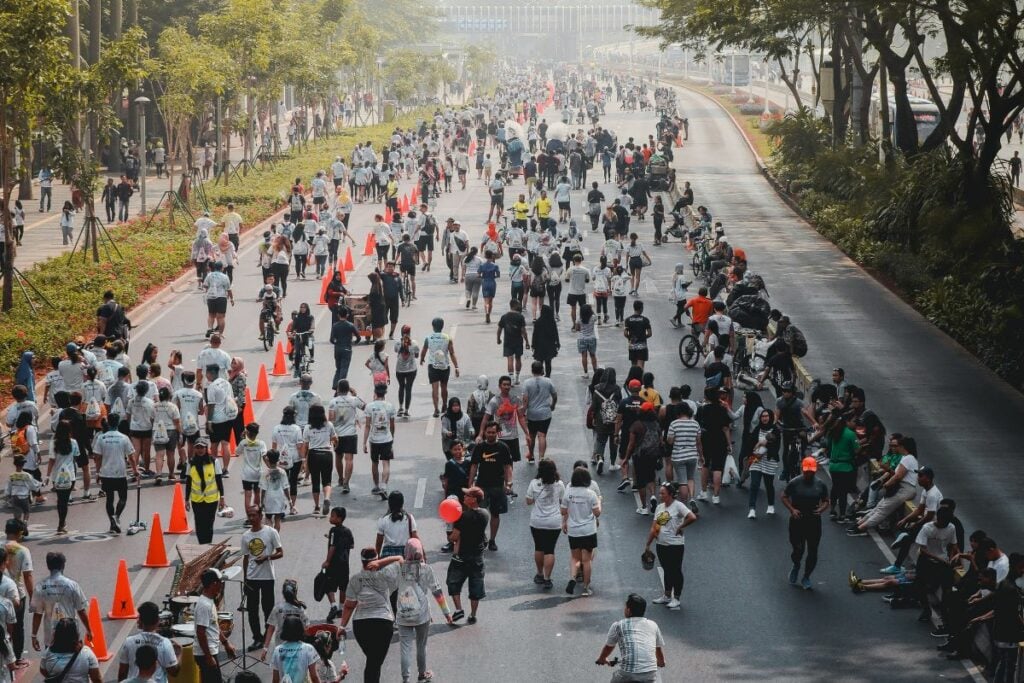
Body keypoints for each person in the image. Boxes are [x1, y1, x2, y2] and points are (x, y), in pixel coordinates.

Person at [340, 548, 403, 683]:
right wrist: (380, 562)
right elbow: (400, 559)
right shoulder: (386, 574)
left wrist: (342, 626)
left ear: (362, 561)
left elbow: (349, 605)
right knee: (374, 662)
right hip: (383, 624)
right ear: (377, 560)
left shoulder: (355, 579)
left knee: (373, 661)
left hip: (361, 627)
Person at [396, 538, 452, 683]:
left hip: (403, 614)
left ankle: (405, 679)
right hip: (421, 614)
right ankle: (422, 673)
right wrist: (446, 613)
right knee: (421, 645)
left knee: (405, 648)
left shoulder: (399, 569)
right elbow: (437, 592)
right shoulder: (426, 569)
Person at [644, 483, 697, 610]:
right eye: (660, 493)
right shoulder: (660, 507)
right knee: (666, 569)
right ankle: (667, 595)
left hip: (675, 545)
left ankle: (676, 597)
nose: (660, 495)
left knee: (675, 570)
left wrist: (680, 527)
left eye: (663, 493)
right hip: (661, 544)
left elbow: (692, 517)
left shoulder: (678, 506)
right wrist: (648, 544)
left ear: (670, 494)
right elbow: (655, 527)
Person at [781, 457, 829, 590]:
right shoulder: (794, 482)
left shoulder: (820, 484)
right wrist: (792, 509)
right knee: (798, 550)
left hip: (813, 521)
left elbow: (826, 500)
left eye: (812, 471)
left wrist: (821, 509)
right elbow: (783, 496)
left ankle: (806, 576)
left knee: (813, 552)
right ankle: (796, 565)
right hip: (797, 520)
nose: (809, 474)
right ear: (803, 469)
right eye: (807, 471)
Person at [596, 594, 666, 683]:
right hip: (650, 675)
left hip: (627, 674)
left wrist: (602, 658)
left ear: (629, 611)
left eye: (625, 607)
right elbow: (658, 649)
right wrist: (661, 662)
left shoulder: (618, 625)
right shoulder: (653, 625)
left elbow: (608, 647)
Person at [445, 487, 489, 623]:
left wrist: (449, 526)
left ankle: (459, 609)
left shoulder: (463, 517)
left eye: (467, 496)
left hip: (462, 556)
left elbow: (453, 537)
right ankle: (473, 614)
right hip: (478, 556)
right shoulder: (485, 514)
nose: (464, 497)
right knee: (476, 585)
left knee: (453, 582)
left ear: (474, 499)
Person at [242, 506, 283, 648]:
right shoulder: (246, 536)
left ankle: (267, 635)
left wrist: (267, 557)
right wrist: (245, 578)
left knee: (268, 609)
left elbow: (280, 553)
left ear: (260, 516)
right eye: (249, 515)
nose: (251, 518)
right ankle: (257, 638)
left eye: (254, 515)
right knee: (252, 610)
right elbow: (246, 558)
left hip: (267, 577)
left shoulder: (271, 532)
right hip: (252, 578)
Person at [30, 552, 91, 650]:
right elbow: (81, 610)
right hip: (71, 633)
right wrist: (89, 630)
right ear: (63, 565)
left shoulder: (40, 586)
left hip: (50, 637)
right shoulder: (73, 585)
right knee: (72, 662)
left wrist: (34, 636)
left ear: (48, 566)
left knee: (52, 663)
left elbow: (37, 614)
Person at [92, 414, 138, 534]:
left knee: (109, 499)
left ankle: (113, 523)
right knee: (123, 497)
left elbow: (97, 457)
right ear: (118, 423)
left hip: (106, 473)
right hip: (120, 473)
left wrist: (97, 472)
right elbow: (131, 457)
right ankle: (116, 517)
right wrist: (135, 470)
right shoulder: (124, 438)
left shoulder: (102, 438)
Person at [116, 601, 180, 682]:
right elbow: (174, 672)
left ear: (140, 621)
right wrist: (178, 654)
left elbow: (122, 672)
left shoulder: (129, 642)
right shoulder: (165, 643)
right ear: (158, 621)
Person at [526, 460, 565, 591]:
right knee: (550, 549)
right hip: (554, 521)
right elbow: (563, 501)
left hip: (537, 521)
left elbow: (528, 501)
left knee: (539, 547)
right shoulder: (559, 484)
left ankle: (539, 573)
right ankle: (548, 579)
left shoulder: (534, 483)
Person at [562, 467, 601, 597]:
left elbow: (563, 511)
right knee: (587, 560)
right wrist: (599, 503)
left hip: (574, 530)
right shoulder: (590, 494)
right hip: (588, 530)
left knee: (575, 557)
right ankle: (586, 587)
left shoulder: (568, 493)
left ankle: (573, 577)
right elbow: (597, 512)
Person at [194, 568, 236, 682]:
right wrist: (208, 657)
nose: (221, 585)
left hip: (209, 652)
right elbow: (200, 632)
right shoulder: (204, 605)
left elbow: (214, 625)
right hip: (205, 654)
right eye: (220, 582)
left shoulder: (209, 601)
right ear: (214, 584)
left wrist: (226, 643)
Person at [184, 438, 226, 545]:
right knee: (199, 524)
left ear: (206, 448)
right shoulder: (191, 463)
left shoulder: (213, 462)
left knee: (209, 524)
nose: (200, 450)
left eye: (202, 447)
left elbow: (218, 480)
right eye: (197, 447)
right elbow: (188, 482)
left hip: (211, 500)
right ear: (194, 449)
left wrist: (222, 497)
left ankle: (208, 545)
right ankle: (202, 545)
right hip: (197, 500)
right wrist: (186, 500)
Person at [419, 317, 460, 418]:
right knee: (444, 387)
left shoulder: (428, 338)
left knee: (435, 388)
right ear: (442, 326)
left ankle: (436, 408)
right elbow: (452, 353)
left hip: (433, 366)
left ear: (433, 327)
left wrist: (422, 359)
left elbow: (424, 350)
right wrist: (456, 367)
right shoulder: (447, 338)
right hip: (444, 366)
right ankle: (445, 405)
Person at [39, 618, 100, 683]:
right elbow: (96, 679)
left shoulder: (48, 653)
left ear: (56, 635)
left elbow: (43, 670)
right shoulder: (86, 653)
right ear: (76, 635)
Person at [746, 409, 781, 518]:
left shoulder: (775, 430)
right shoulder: (757, 429)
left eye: (766, 416)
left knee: (769, 484)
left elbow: (776, 446)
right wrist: (756, 449)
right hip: (756, 460)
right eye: (762, 416)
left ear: (770, 417)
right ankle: (752, 509)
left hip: (769, 461)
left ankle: (770, 505)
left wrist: (764, 445)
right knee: (754, 484)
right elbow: (750, 443)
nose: (764, 418)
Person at [259, 580, 310, 653]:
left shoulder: (278, 608)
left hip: (281, 648)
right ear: (295, 593)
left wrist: (265, 648)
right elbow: (306, 629)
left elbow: (271, 628)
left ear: (283, 593)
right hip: (298, 649)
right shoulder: (301, 609)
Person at [322, 507, 354, 622]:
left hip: (334, 564)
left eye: (333, 516)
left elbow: (332, 547)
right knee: (343, 587)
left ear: (339, 518)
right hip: (345, 564)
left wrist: (327, 561)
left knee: (328, 585)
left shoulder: (333, 531)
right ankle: (341, 609)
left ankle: (333, 606)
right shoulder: (348, 531)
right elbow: (351, 545)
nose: (330, 518)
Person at [269, 616, 320, 683]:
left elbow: (275, 679)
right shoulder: (308, 649)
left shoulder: (277, 650)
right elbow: (314, 677)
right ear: (300, 630)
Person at [329, 308, 362, 389]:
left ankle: (335, 384)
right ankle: (341, 386)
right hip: (347, 348)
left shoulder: (335, 325)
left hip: (337, 349)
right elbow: (358, 337)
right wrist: (353, 343)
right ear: (347, 315)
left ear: (338, 315)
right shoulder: (350, 325)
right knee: (344, 368)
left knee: (338, 368)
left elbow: (331, 339)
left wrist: (337, 344)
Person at [393, 326, 419, 418]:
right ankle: (406, 410)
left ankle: (400, 408)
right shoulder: (414, 343)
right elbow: (416, 356)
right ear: (410, 332)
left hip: (399, 369)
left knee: (401, 387)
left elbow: (396, 351)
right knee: (408, 389)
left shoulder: (397, 343)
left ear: (401, 332)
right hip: (411, 369)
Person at [623, 300, 652, 369]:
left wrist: (630, 338)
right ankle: (640, 379)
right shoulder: (645, 320)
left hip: (632, 345)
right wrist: (643, 337)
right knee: (640, 367)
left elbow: (625, 333)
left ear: (634, 308)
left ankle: (633, 378)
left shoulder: (628, 320)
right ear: (641, 308)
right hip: (642, 346)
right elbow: (650, 333)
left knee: (633, 366)